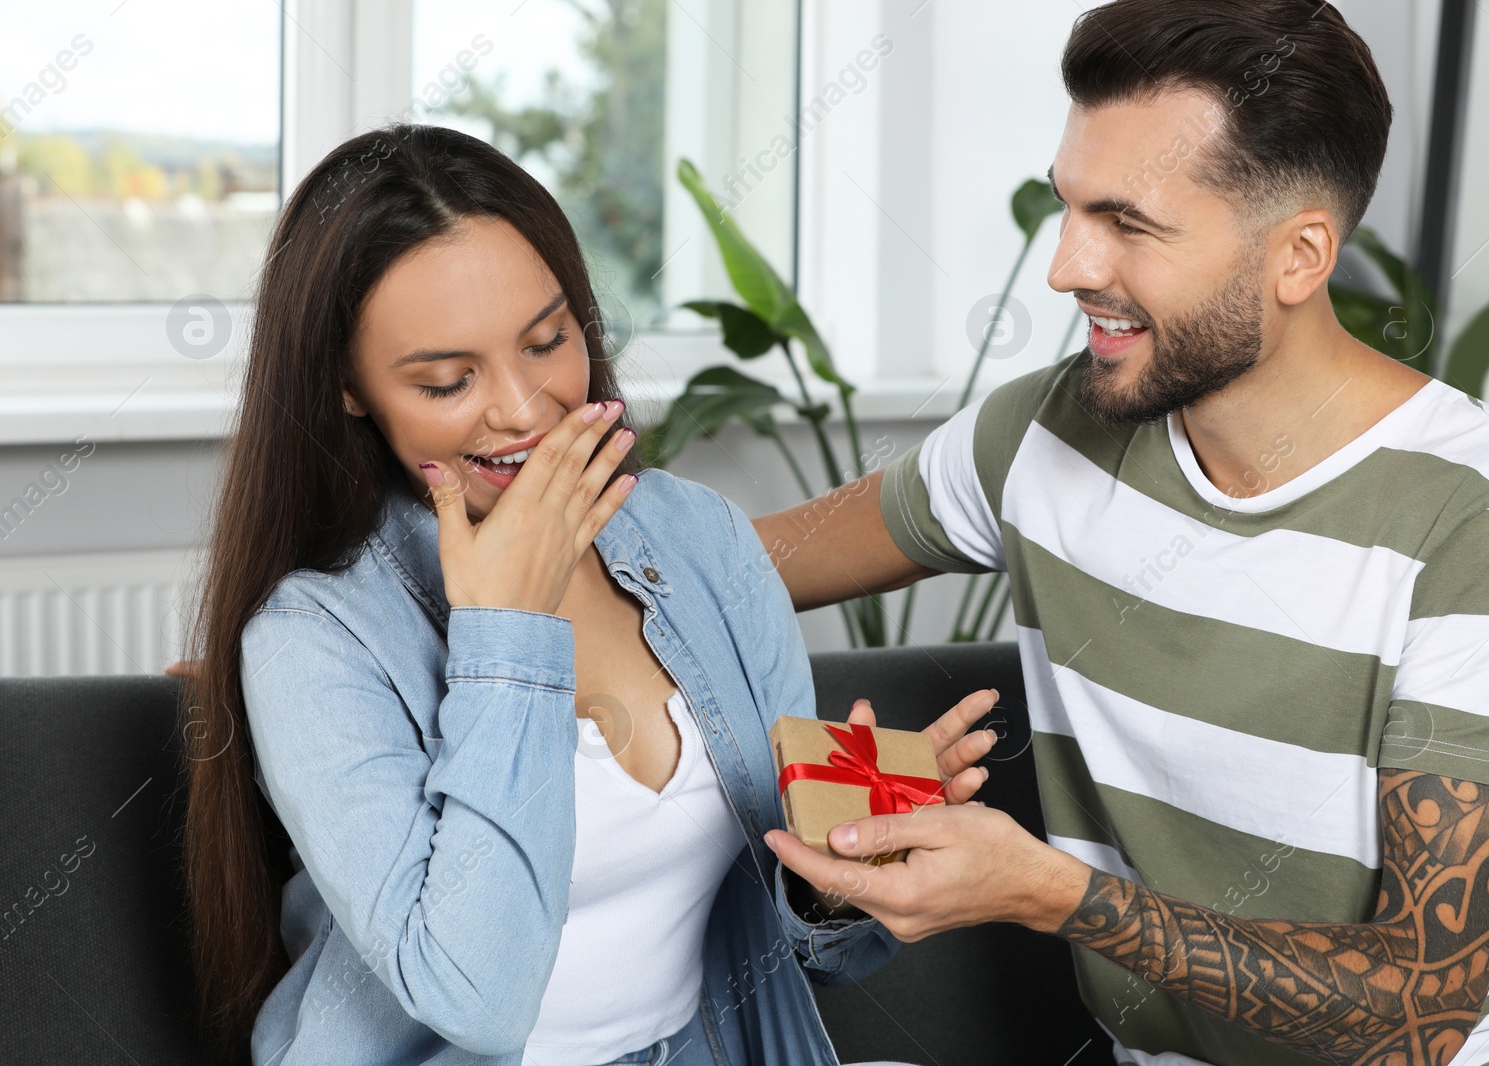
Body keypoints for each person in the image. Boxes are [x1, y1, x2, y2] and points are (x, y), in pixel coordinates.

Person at [756, 0, 1489, 1063]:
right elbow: (733, 566)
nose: (1067, 266)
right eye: (1071, 207)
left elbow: (1419, 1011)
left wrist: (1056, 895)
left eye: (1128, 224)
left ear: (1298, 256)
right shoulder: (1041, 436)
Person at [175, 123, 994, 1066]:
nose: (525, 409)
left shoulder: (704, 540)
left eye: (547, 340)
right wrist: (504, 632)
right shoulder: (314, 638)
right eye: (447, 380)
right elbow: (474, 992)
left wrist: (844, 862)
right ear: (348, 387)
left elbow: (818, 951)